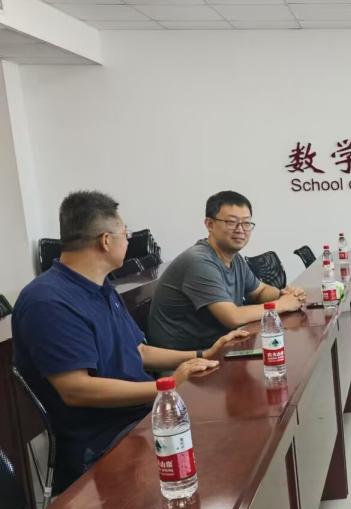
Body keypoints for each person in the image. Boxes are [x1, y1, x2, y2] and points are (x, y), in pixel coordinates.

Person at [12, 191, 246, 493]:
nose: (128, 240)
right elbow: (76, 390)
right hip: (103, 442)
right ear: (105, 241)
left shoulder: (102, 287)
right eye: (126, 234)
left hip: (141, 415)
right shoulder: (48, 302)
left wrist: (202, 354)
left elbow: (138, 351)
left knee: (231, 424)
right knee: (223, 452)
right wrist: (167, 386)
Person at [148, 191, 306, 350]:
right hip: (189, 356)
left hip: (219, 345)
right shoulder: (198, 261)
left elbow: (259, 291)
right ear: (210, 224)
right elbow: (233, 317)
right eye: (231, 222)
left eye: (246, 223)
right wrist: (282, 304)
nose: (240, 229)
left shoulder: (234, 258)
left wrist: (284, 294)